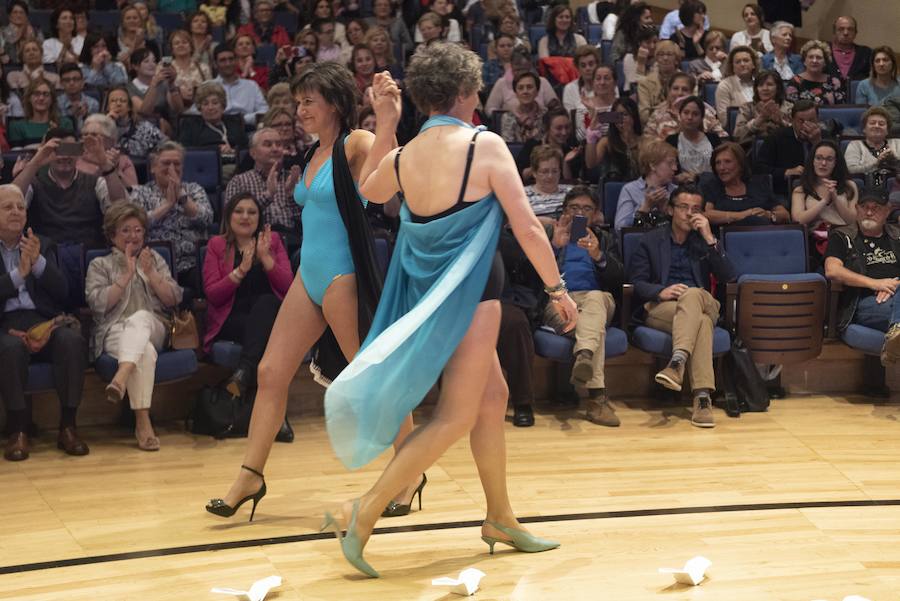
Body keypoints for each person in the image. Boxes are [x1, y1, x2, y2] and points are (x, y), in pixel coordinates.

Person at [319, 42, 576, 578]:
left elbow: (368, 190)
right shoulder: (485, 145)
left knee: (493, 397)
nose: (479, 95)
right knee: (457, 414)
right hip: (475, 294)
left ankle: (500, 516)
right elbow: (528, 227)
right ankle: (366, 511)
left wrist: (387, 122)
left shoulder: (407, 153)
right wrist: (557, 289)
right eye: (476, 88)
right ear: (461, 93)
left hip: (430, 294)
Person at [205, 63, 418, 523]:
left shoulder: (356, 142)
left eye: (308, 101)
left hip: (343, 278)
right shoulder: (312, 153)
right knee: (269, 371)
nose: (299, 110)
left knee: (372, 377)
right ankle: (250, 475)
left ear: (336, 105)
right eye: (298, 101)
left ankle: (410, 471)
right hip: (310, 275)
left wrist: (387, 119)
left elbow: (385, 181)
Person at [629, 184, 736, 428]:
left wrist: (709, 238)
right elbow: (636, 282)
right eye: (683, 207)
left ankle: (677, 362)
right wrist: (660, 291)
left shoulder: (704, 241)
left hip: (703, 302)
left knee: (694, 294)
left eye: (696, 209)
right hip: (664, 306)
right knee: (701, 323)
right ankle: (701, 398)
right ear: (670, 210)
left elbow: (729, 276)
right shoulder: (650, 241)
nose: (689, 213)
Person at [0, 185, 88, 462]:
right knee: (11, 348)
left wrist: (37, 262)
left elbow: (63, 292)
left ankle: (68, 426)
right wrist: (18, 275)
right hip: (5, 323)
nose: (16, 212)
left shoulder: (44, 245)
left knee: (71, 341)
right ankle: (18, 430)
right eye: (7, 207)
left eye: (20, 207)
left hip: (44, 321)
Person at [85, 203, 182, 451]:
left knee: (141, 317)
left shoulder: (154, 259)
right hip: (114, 330)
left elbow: (173, 299)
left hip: (155, 325)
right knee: (145, 353)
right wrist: (125, 277)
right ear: (112, 235)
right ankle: (142, 422)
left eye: (138, 230)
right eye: (125, 230)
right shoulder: (100, 265)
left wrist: (152, 274)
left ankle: (121, 375)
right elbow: (97, 305)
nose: (133, 236)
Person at [203, 193, 292, 407]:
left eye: (252, 212)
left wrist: (265, 258)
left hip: (267, 317)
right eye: (239, 211)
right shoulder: (217, 245)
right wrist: (240, 271)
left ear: (259, 218)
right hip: (231, 320)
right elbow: (213, 294)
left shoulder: (273, 242)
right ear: (229, 216)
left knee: (267, 304)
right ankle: (278, 418)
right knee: (265, 334)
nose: (245, 217)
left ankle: (243, 373)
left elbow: (289, 286)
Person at [544, 186, 623, 426]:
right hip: (558, 300)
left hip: (595, 300)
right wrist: (555, 246)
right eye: (574, 207)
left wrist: (599, 255)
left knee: (597, 298)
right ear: (564, 211)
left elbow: (619, 279)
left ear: (596, 214)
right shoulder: (551, 235)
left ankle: (585, 355)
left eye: (586, 208)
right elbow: (528, 274)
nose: (580, 212)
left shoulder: (605, 238)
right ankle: (597, 398)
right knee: (593, 328)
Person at [825, 189, 900, 367]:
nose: (869, 212)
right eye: (864, 207)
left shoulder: (897, 236)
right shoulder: (842, 236)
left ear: (888, 210)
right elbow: (832, 270)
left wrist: (895, 286)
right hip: (863, 303)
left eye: (876, 208)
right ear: (857, 209)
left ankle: (897, 331)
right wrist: (876, 284)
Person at [131, 141, 213, 289]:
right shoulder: (141, 192)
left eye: (177, 163)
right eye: (166, 163)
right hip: (153, 265)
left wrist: (182, 197)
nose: (172, 168)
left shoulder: (194, 189)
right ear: (153, 168)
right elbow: (137, 225)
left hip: (192, 263)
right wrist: (168, 204)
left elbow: (206, 219)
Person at [224, 128, 302, 244]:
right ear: (253, 153)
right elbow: (231, 219)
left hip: (292, 241)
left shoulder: (293, 179)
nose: (275, 149)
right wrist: (268, 195)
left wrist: (292, 196)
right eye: (268, 144)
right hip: (254, 241)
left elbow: (306, 221)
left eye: (279, 144)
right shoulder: (239, 181)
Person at [791, 139, 858, 266]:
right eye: (819, 158)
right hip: (815, 239)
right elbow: (799, 220)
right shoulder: (801, 190)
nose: (823, 163)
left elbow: (852, 220)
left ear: (836, 163)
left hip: (845, 237)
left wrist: (835, 197)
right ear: (812, 161)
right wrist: (825, 200)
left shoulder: (849, 186)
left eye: (829, 159)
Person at [702, 141, 789, 227]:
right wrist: (742, 215)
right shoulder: (712, 185)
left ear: (740, 164)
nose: (722, 167)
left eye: (727, 162)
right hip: (728, 236)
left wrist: (769, 215)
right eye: (718, 163)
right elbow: (707, 215)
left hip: (762, 233)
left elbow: (785, 215)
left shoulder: (758, 184)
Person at [756, 99, 824, 197]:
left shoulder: (824, 137)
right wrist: (785, 172)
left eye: (811, 120)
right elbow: (759, 169)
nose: (806, 125)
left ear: (818, 119)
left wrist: (817, 143)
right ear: (792, 121)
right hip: (785, 192)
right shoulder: (776, 137)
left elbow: (837, 167)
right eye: (801, 121)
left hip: (820, 191)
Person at [616, 139, 678, 232]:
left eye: (675, 163)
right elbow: (620, 229)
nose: (675, 168)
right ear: (653, 165)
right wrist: (645, 207)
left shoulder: (676, 191)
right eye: (670, 163)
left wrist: (664, 210)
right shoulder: (630, 190)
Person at [179, 81, 249, 162]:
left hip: (234, 166)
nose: (210, 107)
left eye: (215, 103)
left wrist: (233, 151)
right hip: (203, 165)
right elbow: (183, 151)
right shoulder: (190, 125)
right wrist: (214, 151)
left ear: (223, 106)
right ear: (200, 108)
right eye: (205, 104)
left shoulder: (234, 123)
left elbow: (246, 150)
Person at [645, 72, 726, 140]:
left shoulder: (704, 112)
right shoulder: (658, 113)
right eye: (675, 88)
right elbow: (647, 143)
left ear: (691, 93)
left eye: (685, 89)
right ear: (669, 90)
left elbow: (722, 137)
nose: (679, 93)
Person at [585, 96, 642, 183]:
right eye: (617, 116)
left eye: (625, 114)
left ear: (634, 116)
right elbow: (590, 164)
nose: (621, 120)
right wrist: (591, 137)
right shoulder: (606, 142)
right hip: (612, 187)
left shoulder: (643, 141)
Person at [485, 48, 558, 115]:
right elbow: (490, 109)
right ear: (511, 66)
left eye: (524, 69)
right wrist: (505, 116)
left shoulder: (542, 82)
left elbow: (555, 106)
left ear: (530, 66)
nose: (521, 73)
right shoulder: (501, 83)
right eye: (517, 70)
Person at [665, 95, 721, 184]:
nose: (690, 117)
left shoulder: (714, 139)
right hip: (682, 189)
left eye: (695, 114)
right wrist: (677, 179)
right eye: (686, 113)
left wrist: (697, 177)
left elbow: (721, 170)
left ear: (702, 118)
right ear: (680, 115)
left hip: (711, 186)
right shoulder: (671, 141)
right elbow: (666, 172)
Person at [77, 114, 139, 191]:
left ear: (111, 141)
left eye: (94, 135)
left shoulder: (123, 161)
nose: (87, 139)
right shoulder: (75, 158)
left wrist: (114, 170)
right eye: (85, 134)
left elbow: (134, 191)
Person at [105, 85, 167, 162]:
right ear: (108, 107)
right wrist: (106, 124)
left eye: (123, 101)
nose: (118, 104)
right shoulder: (100, 127)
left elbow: (167, 146)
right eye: (113, 101)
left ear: (129, 107)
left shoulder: (144, 128)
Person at [844, 107, 900, 191]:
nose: (877, 126)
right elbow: (849, 170)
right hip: (862, 193)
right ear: (864, 129)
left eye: (881, 124)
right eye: (872, 123)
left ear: (887, 130)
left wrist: (895, 161)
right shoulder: (855, 145)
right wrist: (876, 163)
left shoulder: (897, 143)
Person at [732, 69, 792, 147]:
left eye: (769, 84)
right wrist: (760, 119)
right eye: (760, 85)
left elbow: (798, 135)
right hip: (751, 150)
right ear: (756, 89)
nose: (765, 88)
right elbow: (737, 136)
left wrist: (781, 122)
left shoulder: (789, 107)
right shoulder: (747, 107)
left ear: (778, 88)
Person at [211, 45, 268, 126]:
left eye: (231, 59)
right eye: (223, 60)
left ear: (236, 61)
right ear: (215, 64)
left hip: (247, 130)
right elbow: (196, 112)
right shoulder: (208, 87)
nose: (228, 64)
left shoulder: (251, 86)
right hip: (217, 129)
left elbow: (264, 111)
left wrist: (243, 119)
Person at [128, 48, 184, 130]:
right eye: (146, 61)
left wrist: (171, 84)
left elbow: (178, 109)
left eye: (154, 61)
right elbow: (144, 111)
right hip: (140, 129)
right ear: (135, 66)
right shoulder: (129, 88)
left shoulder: (163, 85)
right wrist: (154, 84)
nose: (152, 65)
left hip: (166, 129)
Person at [8, 79, 74, 148]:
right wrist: (43, 146)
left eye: (46, 94)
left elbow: (71, 152)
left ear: (52, 99)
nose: (41, 98)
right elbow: (17, 156)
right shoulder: (17, 127)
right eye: (36, 94)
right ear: (29, 98)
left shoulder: (65, 123)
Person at [785, 40, 847, 106]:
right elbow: (790, 109)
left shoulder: (834, 82)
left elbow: (841, 109)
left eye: (819, 58)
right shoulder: (795, 82)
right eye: (810, 57)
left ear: (825, 62)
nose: (814, 61)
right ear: (804, 61)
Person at [636, 40, 682, 125]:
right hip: (653, 129)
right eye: (661, 54)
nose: (665, 58)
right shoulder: (645, 83)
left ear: (676, 60)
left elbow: (691, 110)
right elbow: (644, 116)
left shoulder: (688, 81)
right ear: (656, 59)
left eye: (669, 54)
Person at [715, 45, 759, 128]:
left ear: (753, 64)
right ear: (733, 67)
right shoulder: (724, 86)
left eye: (746, 60)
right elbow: (724, 120)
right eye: (738, 62)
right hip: (737, 133)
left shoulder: (761, 83)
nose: (742, 64)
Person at [523, 145, 572, 218]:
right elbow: (511, 222)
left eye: (555, 171)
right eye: (544, 171)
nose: (550, 176)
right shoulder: (523, 195)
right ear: (534, 172)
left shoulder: (571, 192)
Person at [169, 29, 213, 107]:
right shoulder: (164, 68)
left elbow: (210, 93)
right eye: (176, 43)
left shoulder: (204, 68)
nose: (181, 45)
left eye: (184, 42)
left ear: (191, 46)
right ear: (172, 49)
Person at [500, 72, 546, 144]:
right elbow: (509, 146)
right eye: (520, 88)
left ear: (537, 91)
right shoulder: (508, 117)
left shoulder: (546, 115)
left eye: (529, 87)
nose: (525, 91)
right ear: (516, 93)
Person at [57, 63, 99, 133]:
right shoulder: (56, 103)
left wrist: (86, 115)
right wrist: (71, 114)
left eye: (75, 79)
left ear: (82, 82)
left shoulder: (93, 103)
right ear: (61, 83)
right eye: (67, 80)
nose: (71, 83)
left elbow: (96, 129)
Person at [829, 16, 872, 82]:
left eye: (850, 29)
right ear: (834, 32)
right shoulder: (822, 51)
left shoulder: (866, 53)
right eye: (841, 29)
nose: (846, 33)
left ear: (855, 33)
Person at [1, 1, 43, 65]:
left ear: (26, 16)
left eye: (21, 12)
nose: (18, 15)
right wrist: (19, 33)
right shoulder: (2, 32)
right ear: (9, 16)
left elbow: (42, 53)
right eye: (15, 12)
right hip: (9, 66)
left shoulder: (36, 31)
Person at [562, 46, 600, 114]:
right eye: (583, 65)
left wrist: (592, 114)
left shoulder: (610, 85)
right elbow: (572, 118)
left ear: (597, 65)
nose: (587, 68)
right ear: (578, 68)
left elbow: (616, 117)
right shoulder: (570, 88)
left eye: (591, 64)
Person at [622, 25, 659, 90]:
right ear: (639, 43)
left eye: (655, 42)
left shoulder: (660, 60)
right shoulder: (629, 58)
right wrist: (641, 64)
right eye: (648, 42)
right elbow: (635, 85)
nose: (652, 46)